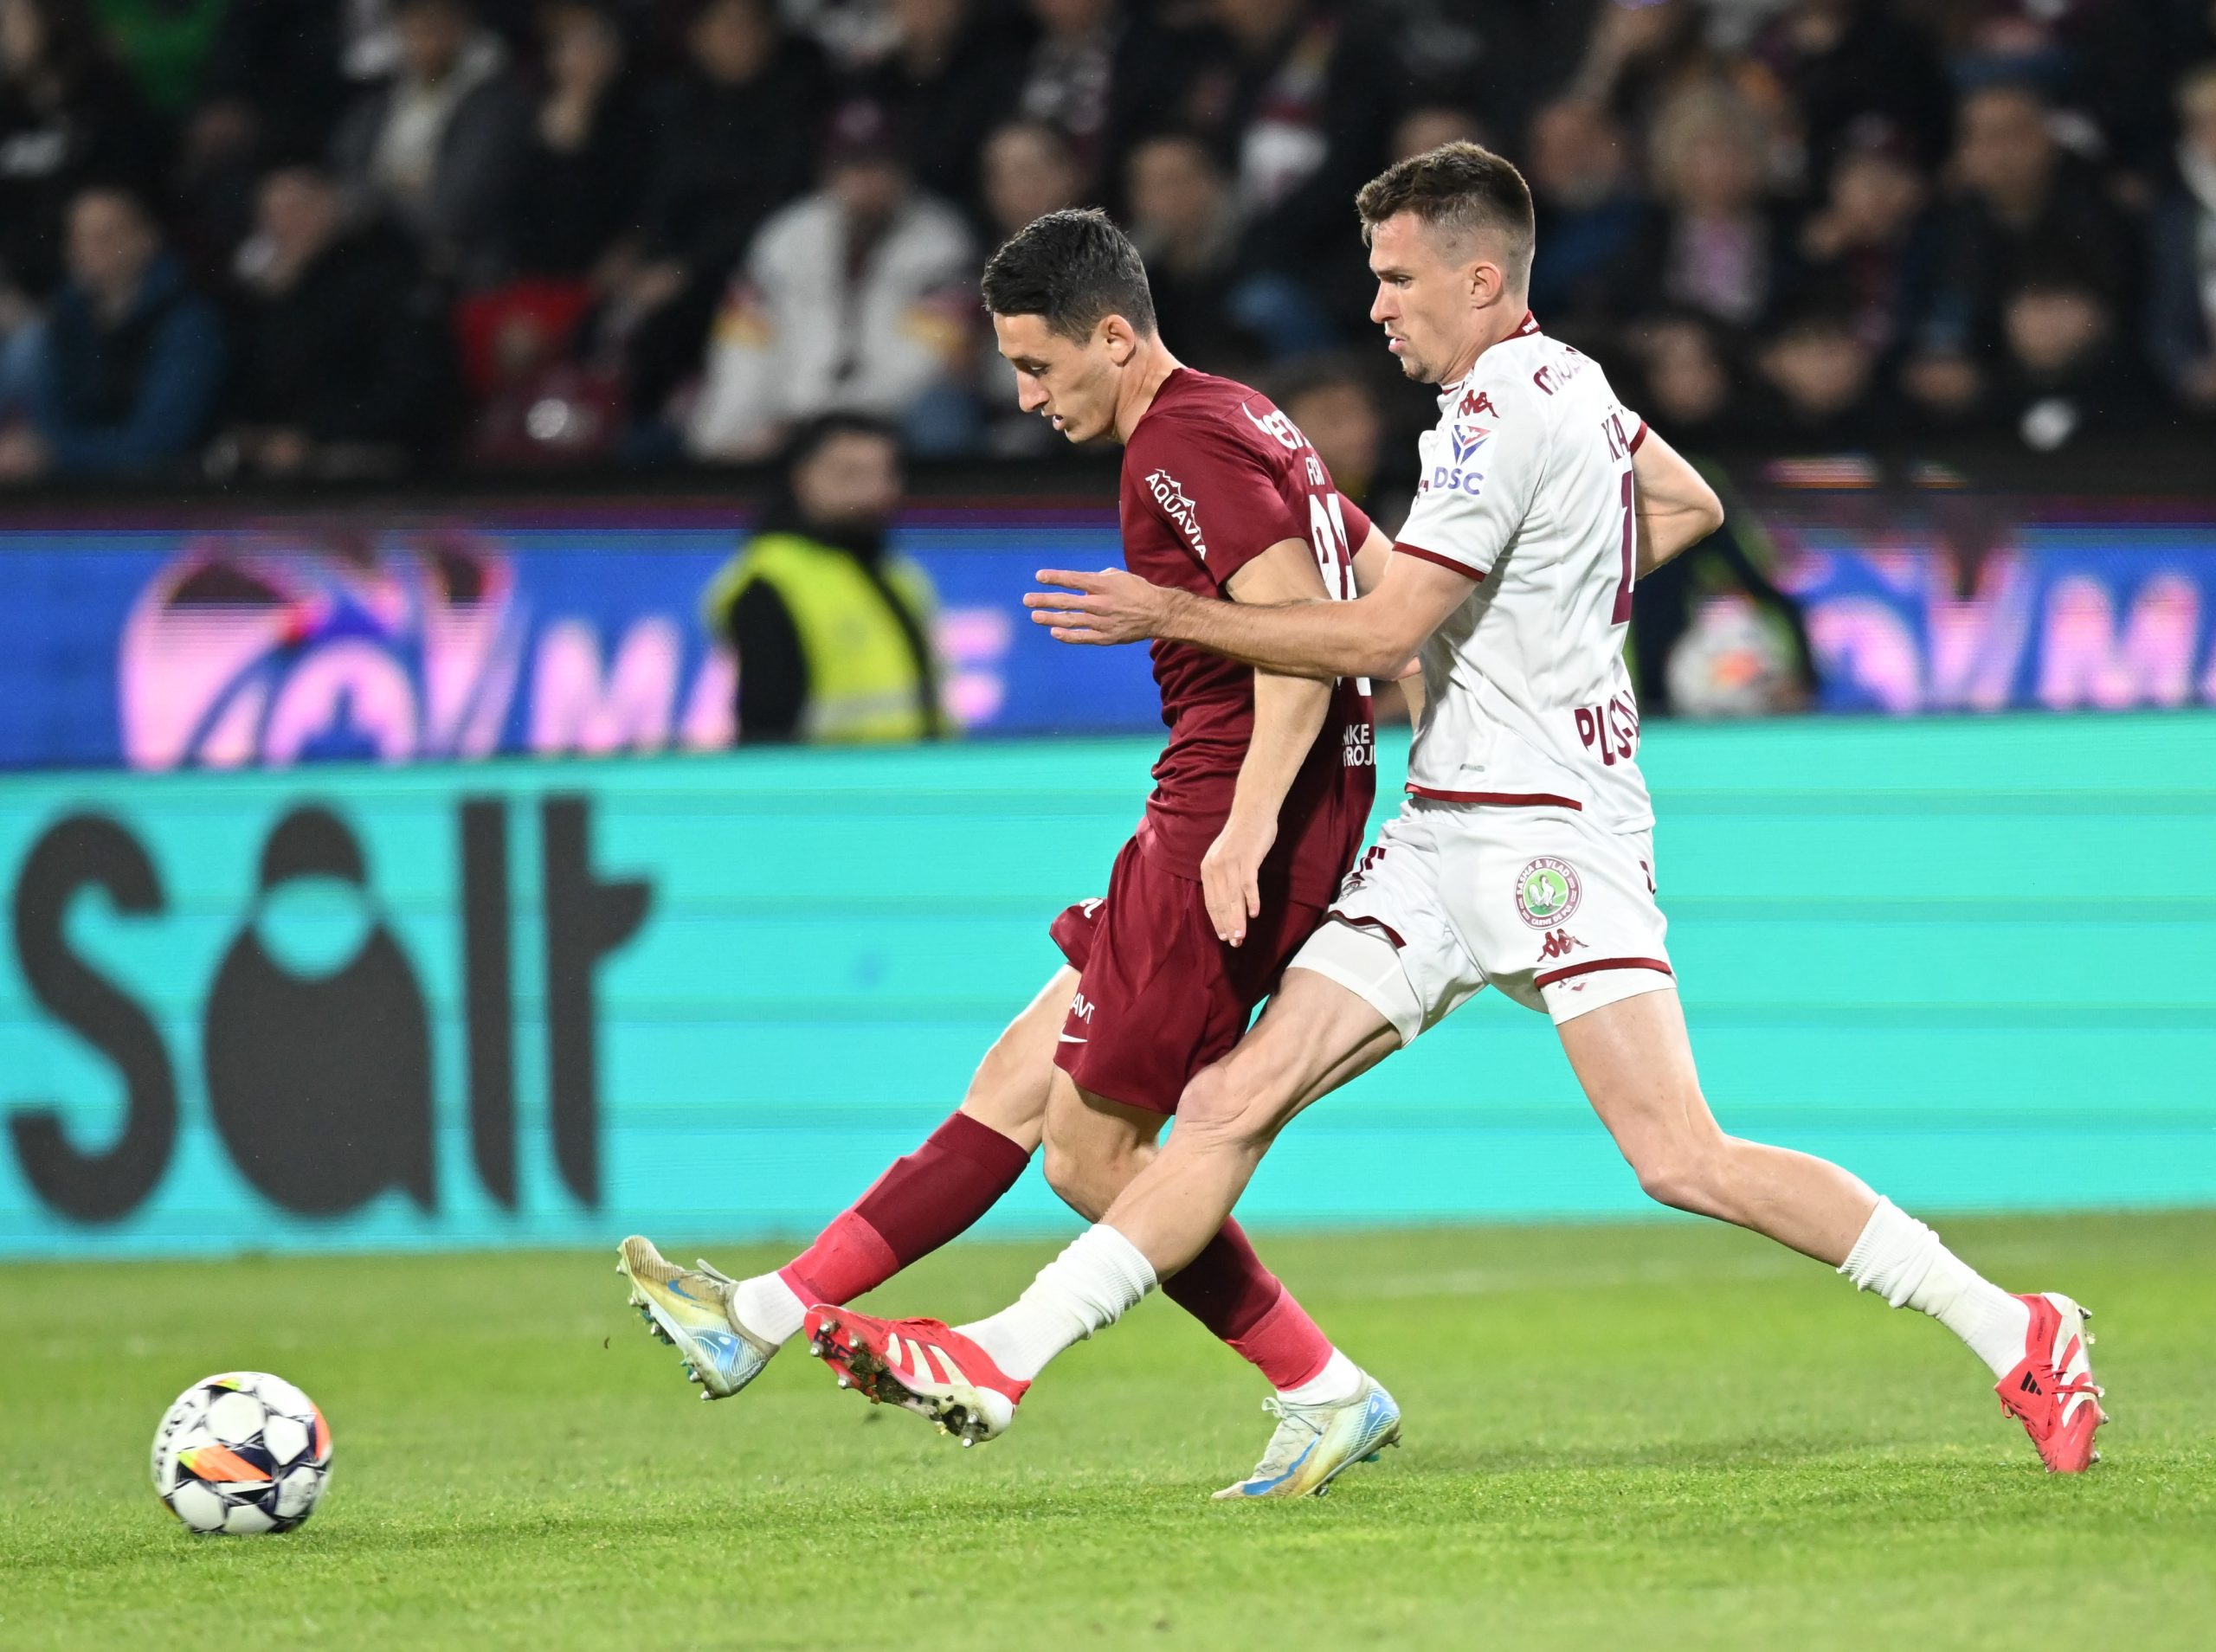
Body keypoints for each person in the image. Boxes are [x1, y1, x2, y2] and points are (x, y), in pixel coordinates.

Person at [808, 145, 2108, 1481]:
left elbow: (1378, 637)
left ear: (1480, 279)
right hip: (1441, 832)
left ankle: (2016, 1326)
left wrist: (1169, 613)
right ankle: (1004, 1354)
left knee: (1680, 1156)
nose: (1377, 307)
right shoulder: (1578, 384)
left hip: (1551, 833)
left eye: (1398, 278)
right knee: (1230, 1102)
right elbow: (1689, 503)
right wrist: (1544, 607)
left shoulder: (1491, 419)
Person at [620, 207, 1402, 1500]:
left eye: (1039, 366)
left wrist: (1254, 824)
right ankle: (757, 1315)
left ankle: (1322, 1388)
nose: (1027, 396)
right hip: (1221, 809)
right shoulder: (1245, 415)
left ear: (1115, 337)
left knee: (1095, 1159)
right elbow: (1377, 583)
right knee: (1015, 1079)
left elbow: (1300, 638)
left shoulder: (1179, 445)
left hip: (1225, 821)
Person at [702, 415, 946, 744]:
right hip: (829, 776)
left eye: (884, 474)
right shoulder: (772, 581)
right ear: (802, 478)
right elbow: (765, 729)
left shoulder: (900, 577)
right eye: (849, 474)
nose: (871, 492)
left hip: (914, 772)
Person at [217, 162, 454, 479]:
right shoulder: (263, 294)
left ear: (329, 206)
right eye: (271, 215)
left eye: (296, 210)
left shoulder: (382, 279)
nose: (283, 225)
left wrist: (314, 436)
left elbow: (410, 391)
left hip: (373, 451)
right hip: (285, 450)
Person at [1, 186, 223, 481]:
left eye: (105, 237)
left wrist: (54, 453)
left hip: (161, 494)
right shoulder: (60, 321)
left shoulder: (187, 324)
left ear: (146, 240)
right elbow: (45, 422)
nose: (85, 251)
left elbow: (157, 442)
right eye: (77, 238)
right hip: (69, 487)